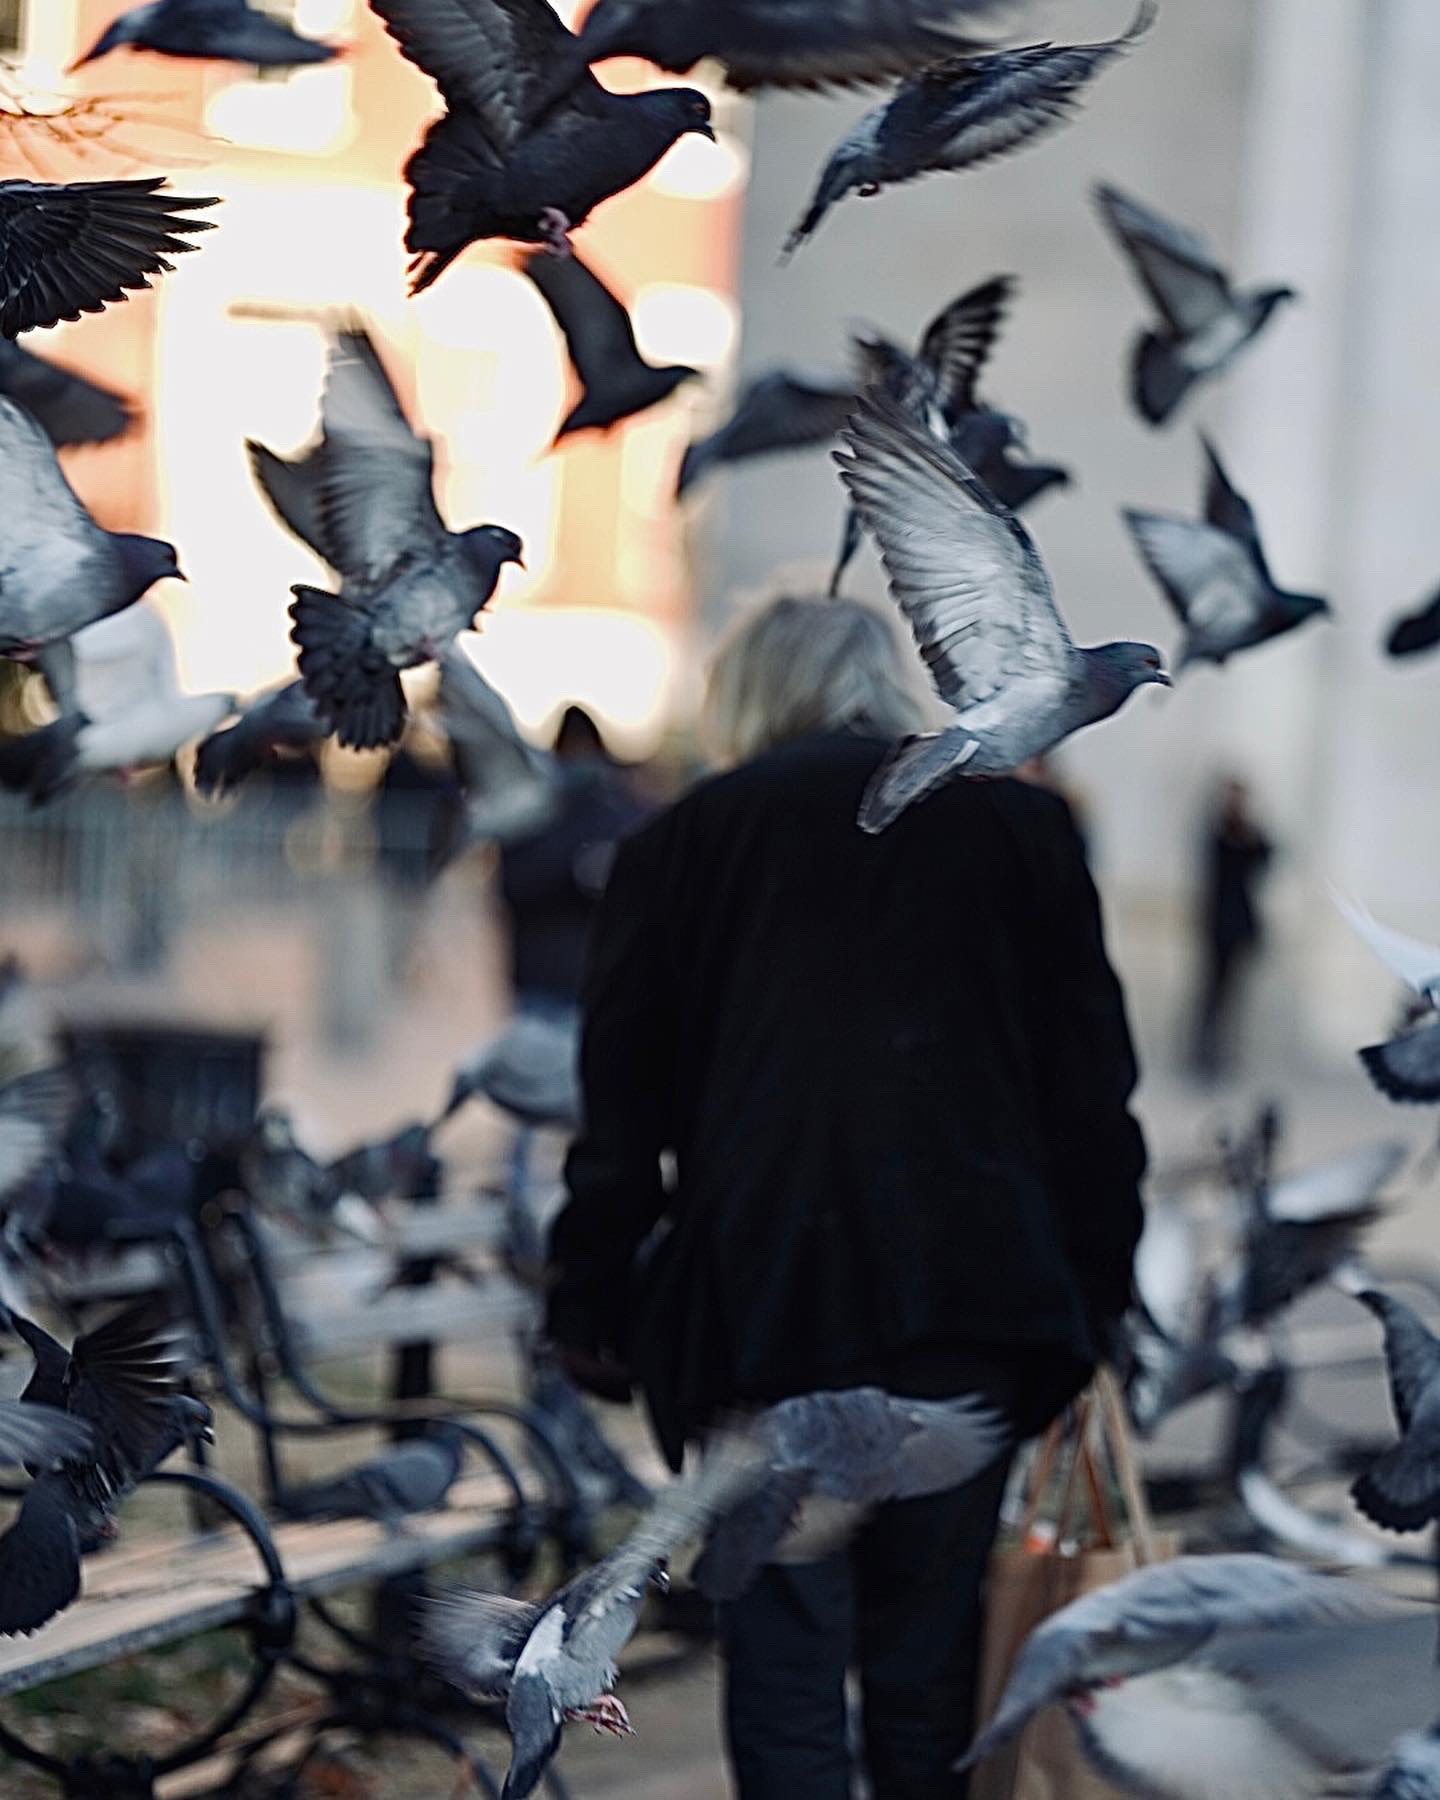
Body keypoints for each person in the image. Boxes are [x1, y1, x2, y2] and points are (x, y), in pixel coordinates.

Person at [544, 595, 1147, 1799]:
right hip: (975, 1314)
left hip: (762, 1315)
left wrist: (593, 1300)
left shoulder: (685, 841)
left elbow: (622, 1109)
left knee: (785, 1668)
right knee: (929, 1673)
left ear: (746, 695)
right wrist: (1093, 1299)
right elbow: (1090, 1096)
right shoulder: (1023, 828)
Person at [1192, 775, 1273, 1078]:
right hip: (1218, 925)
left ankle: (1224, 1052)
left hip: (1240, 925)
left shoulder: (1250, 834)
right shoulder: (1218, 832)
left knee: (1233, 995)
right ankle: (1203, 1053)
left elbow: (1267, 856)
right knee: (1210, 993)